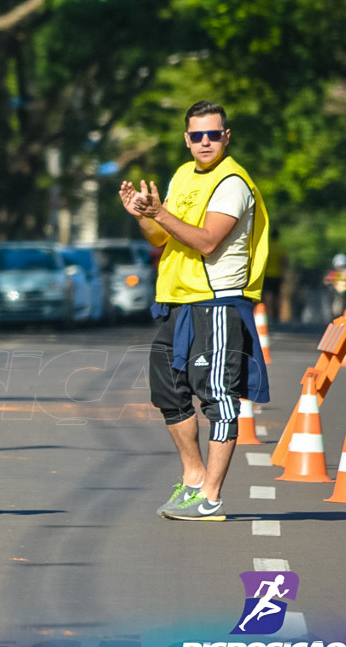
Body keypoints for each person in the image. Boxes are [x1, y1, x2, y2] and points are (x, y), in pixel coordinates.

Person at [119, 100, 269, 522]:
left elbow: (207, 241)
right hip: (178, 300)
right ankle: (192, 478)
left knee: (217, 396)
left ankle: (212, 496)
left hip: (217, 301)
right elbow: (160, 238)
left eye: (213, 134)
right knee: (167, 390)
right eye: (197, 135)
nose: (205, 142)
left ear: (226, 136)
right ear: (187, 139)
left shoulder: (232, 182)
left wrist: (161, 212)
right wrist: (143, 215)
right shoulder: (184, 175)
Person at [262, 227, 287, 322]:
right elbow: (284, 261)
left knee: (268, 295)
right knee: (276, 296)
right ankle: (276, 316)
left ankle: (269, 314)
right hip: (277, 275)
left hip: (267, 274)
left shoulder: (267, 246)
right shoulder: (280, 247)